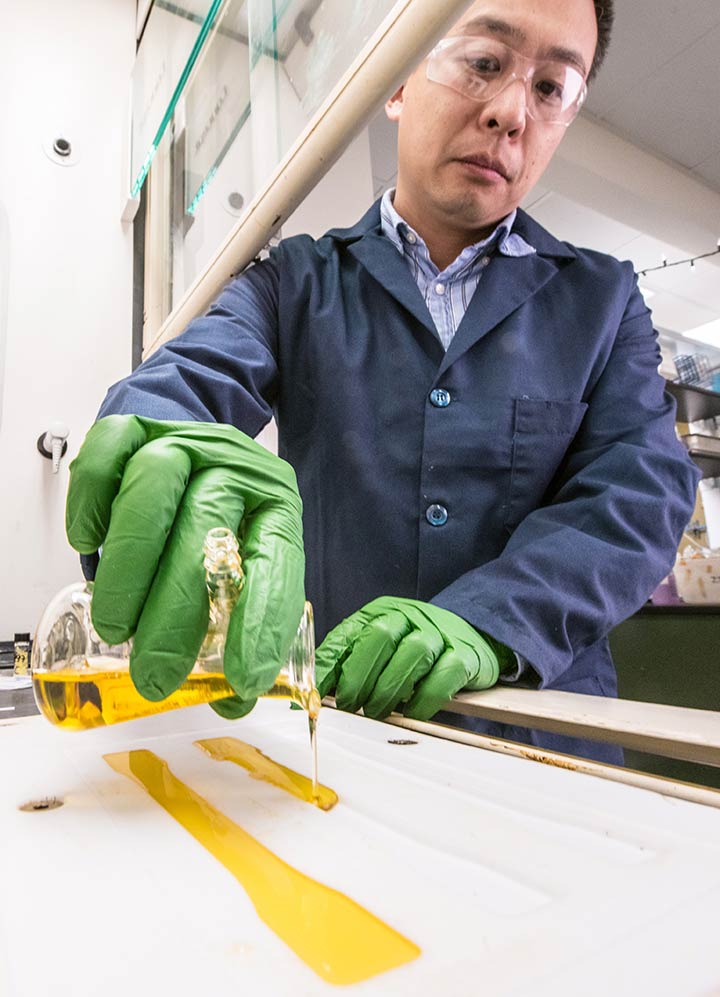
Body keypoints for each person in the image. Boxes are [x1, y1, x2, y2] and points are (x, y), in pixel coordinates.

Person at [67, 0, 700, 762]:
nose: (509, 113)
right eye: (484, 62)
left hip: (551, 737)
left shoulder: (603, 297)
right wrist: (157, 447)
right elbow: (188, 379)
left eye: (550, 88)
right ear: (397, 85)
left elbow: (639, 495)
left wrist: (489, 621)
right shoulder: (293, 281)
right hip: (347, 729)